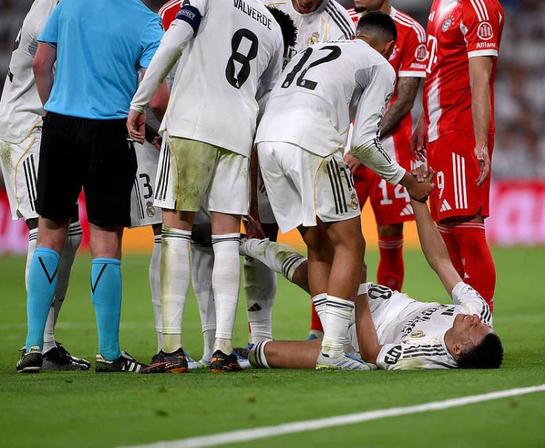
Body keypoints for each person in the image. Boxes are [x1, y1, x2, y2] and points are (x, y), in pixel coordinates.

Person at [255, 12, 434, 370]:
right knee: (351, 245)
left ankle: (331, 343)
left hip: (267, 142)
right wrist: (407, 180)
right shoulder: (380, 65)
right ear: (389, 47)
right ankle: (334, 350)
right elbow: (364, 143)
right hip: (311, 142)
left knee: (319, 245)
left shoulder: (318, 49)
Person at [128, 0, 292, 373]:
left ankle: (170, 349)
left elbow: (174, 40)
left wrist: (139, 102)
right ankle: (222, 350)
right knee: (226, 239)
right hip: (237, 133)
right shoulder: (271, 25)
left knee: (175, 231)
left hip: (190, 123)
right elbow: (269, 96)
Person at [19, 0, 164, 373]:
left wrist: (54, 109)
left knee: (49, 231)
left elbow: (40, 64)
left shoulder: (69, 5)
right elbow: (158, 96)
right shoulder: (146, 21)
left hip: (60, 125)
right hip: (111, 130)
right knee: (105, 239)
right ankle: (109, 353)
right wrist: (145, 120)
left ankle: (33, 347)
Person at [239, 195, 503, 370]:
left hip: (357, 336)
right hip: (383, 301)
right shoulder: (478, 312)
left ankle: (248, 353)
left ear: (457, 349)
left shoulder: (422, 356)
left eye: (475, 328)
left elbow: (371, 352)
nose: (476, 320)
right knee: (317, 262)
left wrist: (360, 289)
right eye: (483, 325)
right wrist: (418, 201)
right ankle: (249, 244)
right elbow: (441, 261)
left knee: (267, 354)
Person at [258, 0, 356, 341]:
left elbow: (344, 93)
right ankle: (258, 337)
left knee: (321, 242)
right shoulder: (266, 7)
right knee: (262, 234)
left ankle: (328, 334)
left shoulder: (339, 24)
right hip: (260, 132)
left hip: (308, 144)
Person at [0, 0, 89, 372]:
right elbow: (43, 65)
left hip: (45, 124)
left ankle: (47, 344)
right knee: (45, 228)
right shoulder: (52, 9)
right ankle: (34, 345)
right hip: (28, 128)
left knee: (70, 234)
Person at [415, 0, 505, 312]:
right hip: (439, 128)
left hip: (461, 128)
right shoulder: (440, 3)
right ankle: (465, 313)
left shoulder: (479, 8)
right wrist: (423, 119)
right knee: (447, 229)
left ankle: (482, 318)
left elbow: (480, 79)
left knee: (466, 224)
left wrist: (480, 143)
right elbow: (439, 68)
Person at [346, 0, 428, 293]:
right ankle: (326, 319)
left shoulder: (411, 31)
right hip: (344, 142)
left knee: (390, 233)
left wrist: (364, 144)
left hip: (389, 145)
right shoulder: (341, 20)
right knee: (339, 235)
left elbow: (404, 99)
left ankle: (387, 312)